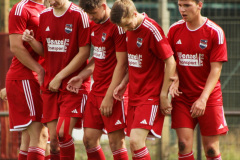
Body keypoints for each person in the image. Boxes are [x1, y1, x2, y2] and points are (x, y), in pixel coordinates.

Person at [22, 0, 91, 159]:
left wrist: (60, 77)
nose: (51, 2)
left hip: (72, 85)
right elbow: (45, 51)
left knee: (63, 134)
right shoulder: (44, 15)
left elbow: (84, 53)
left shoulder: (79, 15)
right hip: (51, 85)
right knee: (53, 142)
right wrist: (31, 41)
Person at [110, 0, 176, 159]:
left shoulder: (151, 29)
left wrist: (163, 95)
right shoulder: (128, 29)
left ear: (134, 14)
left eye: (127, 24)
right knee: (134, 145)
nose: (126, 29)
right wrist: (123, 83)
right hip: (134, 94)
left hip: (150, 95)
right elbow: (134, 62)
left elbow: (171, 61)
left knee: (136, 142)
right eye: (122, 27)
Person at [67, 0, 129, 159]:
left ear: (103, 5)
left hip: (114, 92)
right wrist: (81, 76)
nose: (90, 17)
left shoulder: (117, 26)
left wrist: (109, 97)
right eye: (87, 13)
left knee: (116, 143)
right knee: (88, 140)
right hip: (96, 91)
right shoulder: (93, 24)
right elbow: (99, 56)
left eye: (93, 13)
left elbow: (122, 64)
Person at [167, 0, 229, 160]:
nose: (182, 9)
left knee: (211, 150)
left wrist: (203, 99)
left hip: (208, 97)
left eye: (187, 5)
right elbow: (169, 61)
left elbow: (216, 69)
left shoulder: (215, 32)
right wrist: (176, 77)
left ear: (199, 4)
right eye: (180, 5)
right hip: (182, 97)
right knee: (182, 144)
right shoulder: (174, 30)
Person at [6, 0, 48, 160]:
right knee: (42, 136)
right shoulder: (21, 8)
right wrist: (38, 69)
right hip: (26, 78)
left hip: (38, 79)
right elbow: (15, 46)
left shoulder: (47, 8)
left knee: (30, 139)